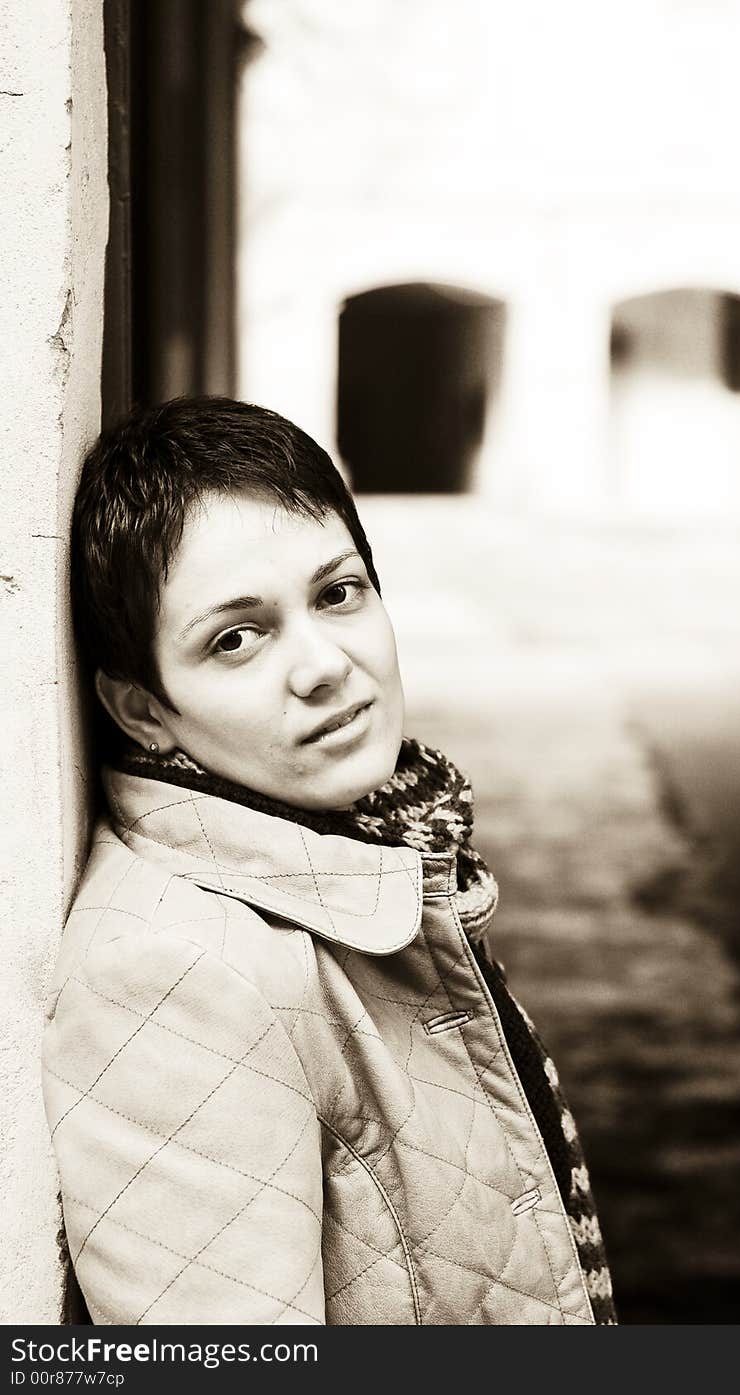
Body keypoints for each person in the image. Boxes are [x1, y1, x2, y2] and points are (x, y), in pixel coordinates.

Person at [42, 396, 615, 1326]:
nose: (323, 665)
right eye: (236, 638)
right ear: (142, 709)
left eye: (337, 593)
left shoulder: (376, 856)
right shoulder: (169, 972)